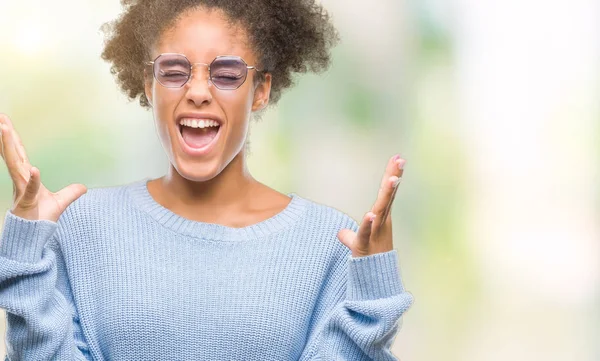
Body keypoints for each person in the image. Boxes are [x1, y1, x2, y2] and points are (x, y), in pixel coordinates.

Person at [0, 0, 413, 360]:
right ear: (149, 84)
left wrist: (371, 295)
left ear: (261, 90)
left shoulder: (329, 243)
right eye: (175, 70)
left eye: (228, 72)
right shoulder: (81, 228)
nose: (198, 90)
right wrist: (26, 255)